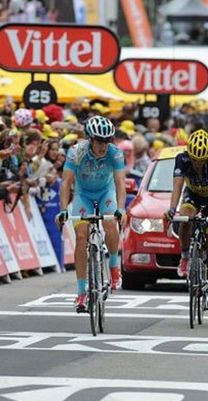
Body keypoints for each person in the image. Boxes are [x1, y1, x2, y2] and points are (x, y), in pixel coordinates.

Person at [56, 116, 126, 313]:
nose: (103, 146)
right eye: (99, 141)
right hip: (83, 195)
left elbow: (120, 182)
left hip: (106, 193)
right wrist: (62, 210)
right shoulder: (76, 152)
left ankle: (113, 266)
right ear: (90, 139)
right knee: (81, 236)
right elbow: (66, 183)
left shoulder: (115, 153)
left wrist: (121, 208)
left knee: (111, 223)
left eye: (107, 141)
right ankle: (81, 292)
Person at [163, 129, 208, 314]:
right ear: (189, 155)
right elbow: (177, 186)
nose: (198, 164)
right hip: (192, 196)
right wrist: (171, 209)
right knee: (185, 218)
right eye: (195, 160)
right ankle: (185, 257)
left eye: (202, 161)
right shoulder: (182, 159)